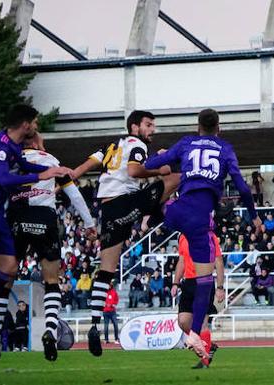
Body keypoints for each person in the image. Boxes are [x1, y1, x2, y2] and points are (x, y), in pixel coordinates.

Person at [143, 109, 261, 359]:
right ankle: (196, 333)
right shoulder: (225, 148)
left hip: (175, 210)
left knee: (168, 184)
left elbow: (150, 165)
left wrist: (160, 158)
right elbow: (243, 188)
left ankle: (146, 219)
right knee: (204, 283)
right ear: (219, 128)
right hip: (198, 220)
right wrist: (254, 215)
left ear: (198, 127)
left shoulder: (186, 142)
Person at [72, 110, 179, 357]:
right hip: (124, 201)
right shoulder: (137, 144)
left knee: (107, 269)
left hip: (107, 209)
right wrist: (159, 169)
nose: (153, 129)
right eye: (149, 125)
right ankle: (150, 219)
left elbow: (93, 160)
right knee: (176, 177)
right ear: (135, 127)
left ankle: (95, 325)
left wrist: (74, 174)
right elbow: (134, 171)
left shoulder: (114, 144)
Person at [0, 105, 71, 360]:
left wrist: (50, 171)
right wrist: (44, 173)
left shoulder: (12, 145)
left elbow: (23, 164)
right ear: (25, 124)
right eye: (34, 121)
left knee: (9, 269)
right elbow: (3, 179)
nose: (36, 126)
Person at [7, 133, 97, 361]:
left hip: (16, 217)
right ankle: (50, 329)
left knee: (5, 278)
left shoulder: (10, 161)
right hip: (44, 220)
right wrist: (89, 223)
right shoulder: (51, 161)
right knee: (51, 280)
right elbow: (74, 196)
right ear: (36, 142)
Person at [172, 231, 224, 369]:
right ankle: (207, 345)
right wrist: (175, 283)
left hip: (204, 281)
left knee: (202, 324)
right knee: (183, 321)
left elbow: (218, 261)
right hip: (188, 282)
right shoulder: (183, 236)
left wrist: (220, 287)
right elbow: (181, 260)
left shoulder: (210, 236)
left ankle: (205, 362)